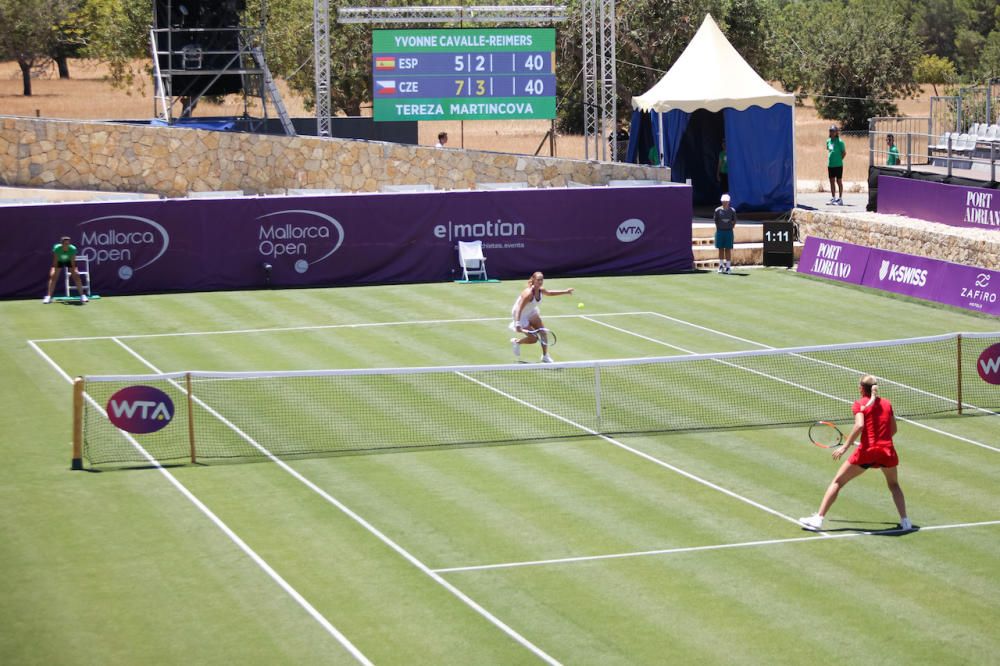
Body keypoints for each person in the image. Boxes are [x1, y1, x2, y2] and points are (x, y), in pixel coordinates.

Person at [799, 375, 912, 532]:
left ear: (861, 388)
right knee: (894, 485)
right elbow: (893, 430)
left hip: (867, 452)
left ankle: (818, 519)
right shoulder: (887, 403)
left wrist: (845, 447)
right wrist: (878, 442)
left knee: (838, 482)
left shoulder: (859, 404)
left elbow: (859, 426)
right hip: (887, 451)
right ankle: (906, 522)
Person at [509, 271, 574, 363]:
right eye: (538, 280)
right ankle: (517, 342)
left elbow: (550, 293)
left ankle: (545, 356)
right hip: (520, 314)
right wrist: (517, 323)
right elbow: (519, 308)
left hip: (531, 312)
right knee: (534, 339)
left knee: (543, 332)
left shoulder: (540, 290)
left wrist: (565, 291)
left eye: (541, 280)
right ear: (534, 280)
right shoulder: (528, 294)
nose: (540, 282)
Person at [44, 236, 87, 304]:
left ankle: (82, 296)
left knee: (76, 275)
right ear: (62, 244)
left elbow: (73, 262)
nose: (67, 245)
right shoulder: (57, 249)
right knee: (53, 276)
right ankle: (49, 297)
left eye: (68, 244)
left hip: (69, 261)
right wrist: (54, 270)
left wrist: (74, 271)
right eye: (65, 244)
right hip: (59, 261)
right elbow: (55, 260)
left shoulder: (73, 249)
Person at [713, 193, 737, 274]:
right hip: (720, 232)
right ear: (721, 201)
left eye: (726, 201)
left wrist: (730, 227)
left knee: (728, 249)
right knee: (720, 249)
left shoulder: (732, 211)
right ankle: (720, 266)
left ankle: (728, 267)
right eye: (723, 201)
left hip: (729, 232)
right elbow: (715, 220)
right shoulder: (717, 210)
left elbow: (734, 221)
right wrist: (720, 228)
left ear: (729, 201)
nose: (725, 202)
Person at [826, 125, 847, 205]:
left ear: (836, 132)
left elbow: (844, 153)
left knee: (839, 181)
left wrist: (839, 159)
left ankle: (840, 199)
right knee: (832, 181)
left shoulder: (840, 142)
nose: (831, 132)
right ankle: (833, 198)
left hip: (838, 165)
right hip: (830, 165)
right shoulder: (828, 141)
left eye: (833, 131)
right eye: (830, 131)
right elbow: (829, 150)